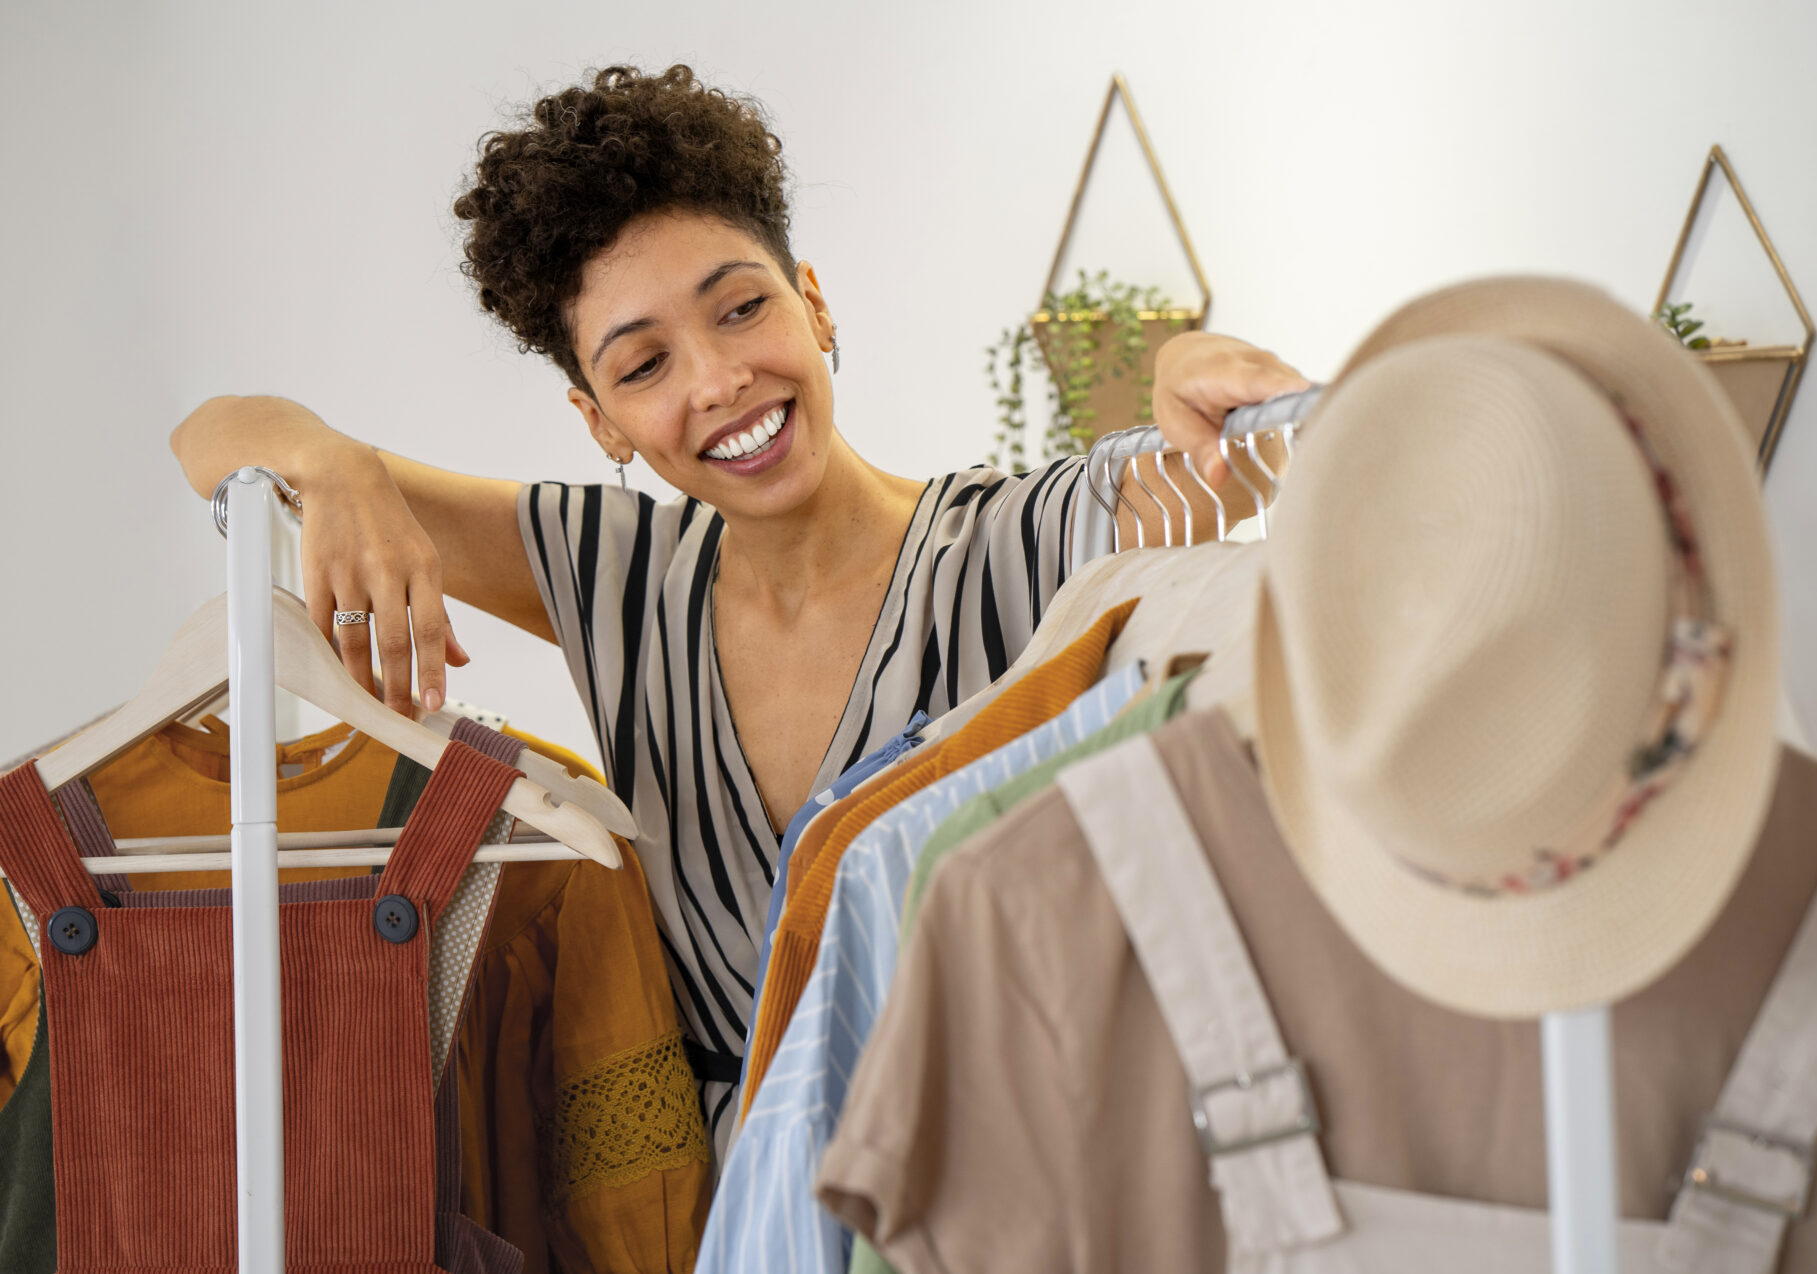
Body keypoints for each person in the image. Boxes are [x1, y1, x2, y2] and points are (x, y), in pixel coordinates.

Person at [170, 63, 1305, 1159]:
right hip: (710, 1215)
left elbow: (1195, 471)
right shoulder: (610, 572)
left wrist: (1200, 378)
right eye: (645, 364)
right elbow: (211, 433)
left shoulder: (1016, 542)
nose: (714, 382)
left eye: (741, 308)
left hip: (986, 1190)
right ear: (600, 420)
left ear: (811, 302)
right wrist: (333, 465)